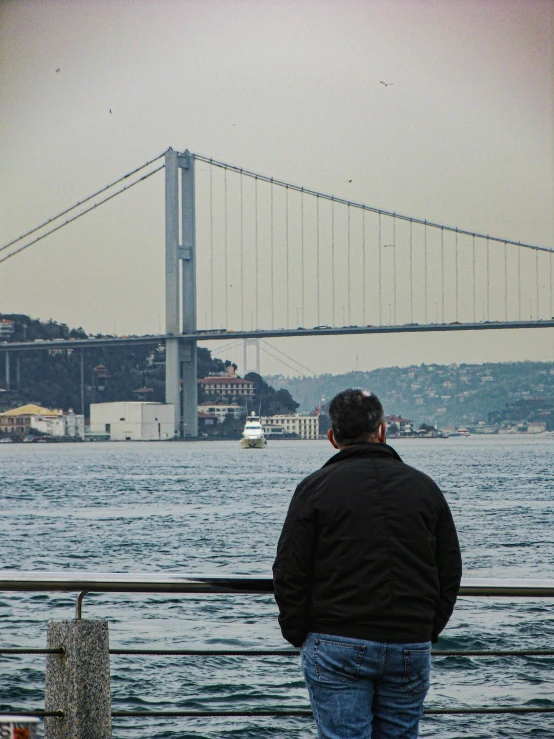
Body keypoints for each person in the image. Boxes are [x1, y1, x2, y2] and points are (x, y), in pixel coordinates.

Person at [273, 389, 462, 739]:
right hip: (410, 640)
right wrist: (427, 628)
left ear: (332, 437)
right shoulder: (424, 488)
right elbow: (449, 569)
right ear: (383, 431)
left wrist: (297, 632)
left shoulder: (314, 488)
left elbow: (289, 571)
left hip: (336, 640)